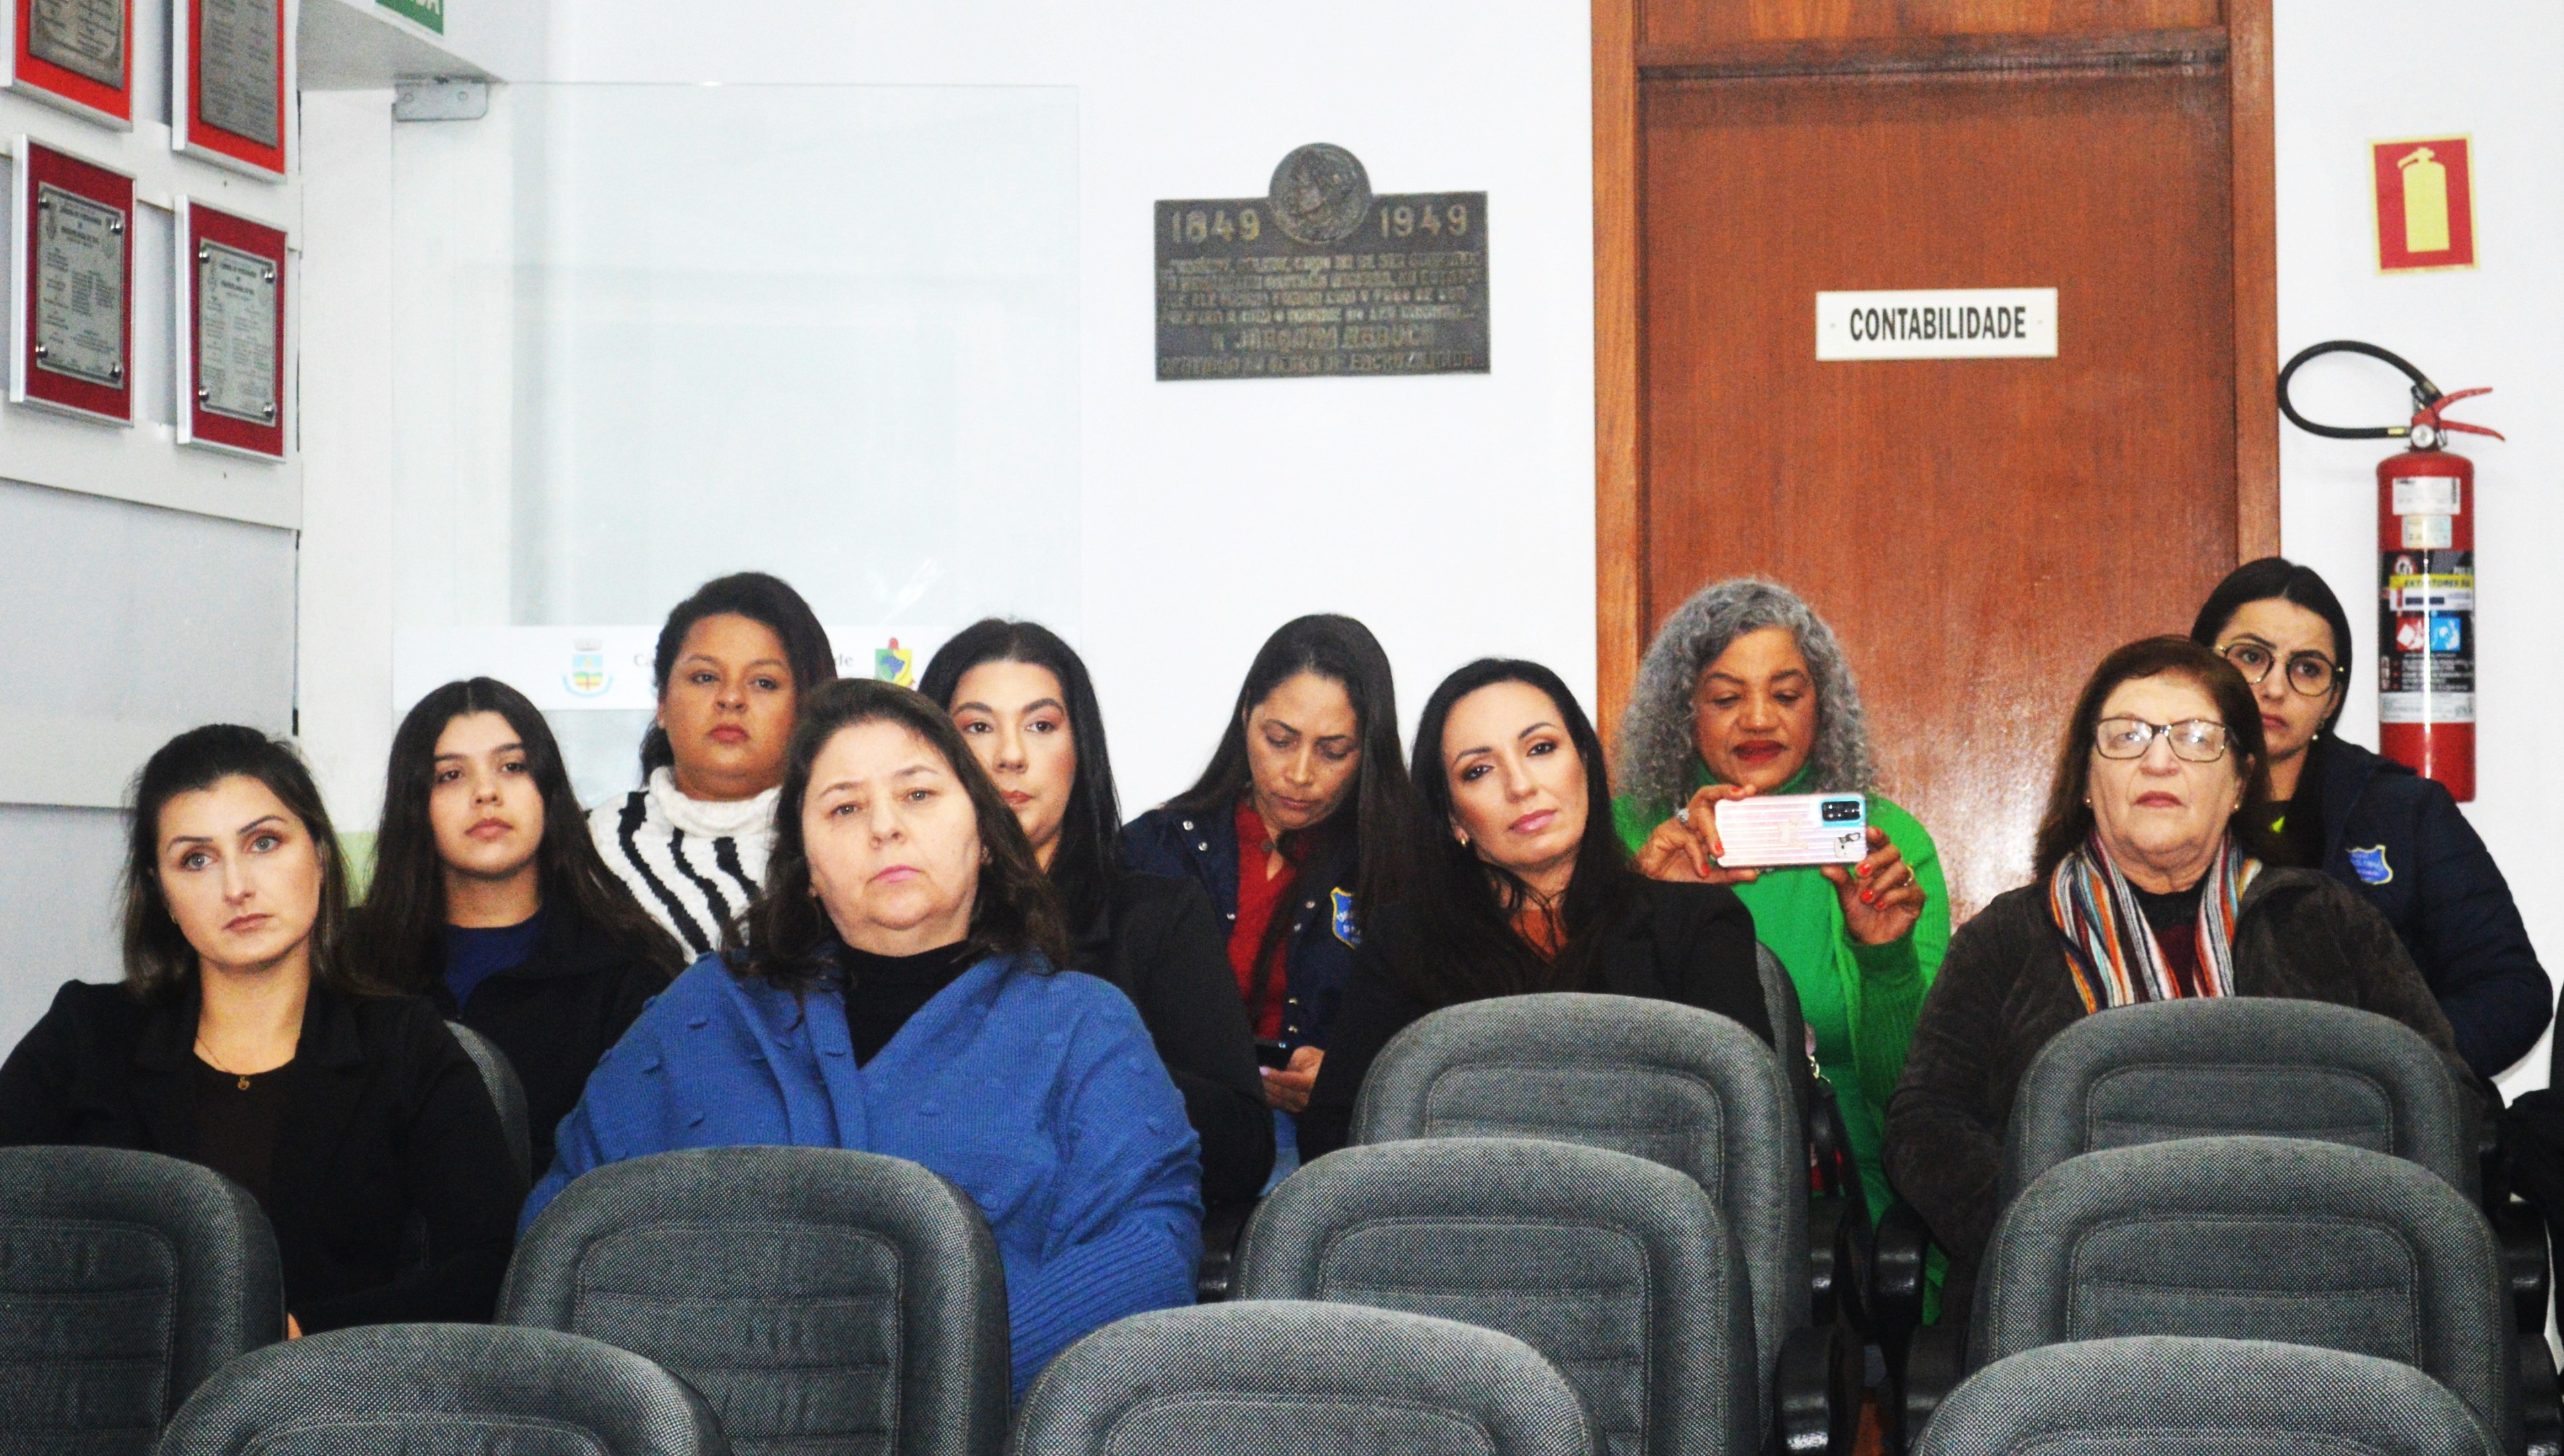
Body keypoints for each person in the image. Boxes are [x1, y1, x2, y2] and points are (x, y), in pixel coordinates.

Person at [530, 679, 1201, 1398]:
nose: (884, 827)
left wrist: (927, 1385)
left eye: (918, 794)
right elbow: (564, 1228)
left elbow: (1148, 1247)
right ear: (807, 869)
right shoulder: (703, 1012)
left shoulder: (1083, 1024)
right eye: (844, 807)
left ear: (983, 837)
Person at [1884, 638, 2473, 1310]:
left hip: (2308, 1291)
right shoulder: (2005, 939)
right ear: (2084, 779)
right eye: (2126, 736)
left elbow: (2441, 1099)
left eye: (2195, 738)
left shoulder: (2329, 923)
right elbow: (1923, 1125)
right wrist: (2056, 1237)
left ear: (2240, 782)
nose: (2158, 760)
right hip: (2071, 1301)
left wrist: (2325, 1240)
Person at [0, 726, 524, 1332]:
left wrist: (298, 1335)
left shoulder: (404, 1043)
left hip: (326, 1384)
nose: (237, 887)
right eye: (197, 859)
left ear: (320, 854)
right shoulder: (85, 1033)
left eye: (264, 843)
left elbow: (491, 1266)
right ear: (161, 891)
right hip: (114, 1380)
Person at [1300, 659, 1771, 1161]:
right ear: (1453, 816)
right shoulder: (1404, 940)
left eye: (1541, 748)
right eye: (1478, 770)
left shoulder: (1696, 923)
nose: (1520, 786)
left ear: (1585, 761)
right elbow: (1336, 1138)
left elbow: (1755, 1136)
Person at [1612, 578, 1948, 1218]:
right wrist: (1648, 904)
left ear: (1824, 707)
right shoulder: (1630, 838)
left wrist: (1886, 961)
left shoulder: (1885, 842)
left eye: (1787, 695)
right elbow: (1598, 1063)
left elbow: (1916, 1097)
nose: (1760, 719)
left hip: (1850, 1207)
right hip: (1667, 1183)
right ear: (1684, 710)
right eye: (1726, 698)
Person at [920, 620, 1273, 1208]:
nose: (1011, 756)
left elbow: (1243, 1148)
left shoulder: (1159, 918)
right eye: (978, 727)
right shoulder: (896, 921)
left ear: (1079, 749)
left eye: (1041, 726)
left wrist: (1082, 1066)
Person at [2191, 557, 2547, 1077]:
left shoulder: (2404, 812)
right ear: (2199, 666)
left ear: (2332, 700)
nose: (2274, 687)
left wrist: (2389, 1074)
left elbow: (2512, 990)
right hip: (2199, 1105)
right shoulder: (2155, 800)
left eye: (2307, 668)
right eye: (2251, 656)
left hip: (2380, 1112)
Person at [1122, 614, 1418, 1177]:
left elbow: (1431, 1035)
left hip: (1336, 1147)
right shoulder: (1155, 850)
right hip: (1165, 1131)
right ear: (1245, 719)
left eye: (1334, 751)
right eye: (1279, 740)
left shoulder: (1404, 865)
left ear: (1369, 750)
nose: (1299, 773)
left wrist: (1351, 1077)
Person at [352, 679, 687, 1175]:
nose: (486, 793)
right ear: (414, 805)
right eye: (451, 775)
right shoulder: (355, 965)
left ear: (548, 791)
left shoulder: (631, 969)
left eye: (512, 767)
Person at [590, 571, 837, 959]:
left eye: (764, 682)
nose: (731, 698)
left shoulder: (841, 845)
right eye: (705, 677)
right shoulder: (586, 850)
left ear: (806, 708)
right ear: (662, 704)